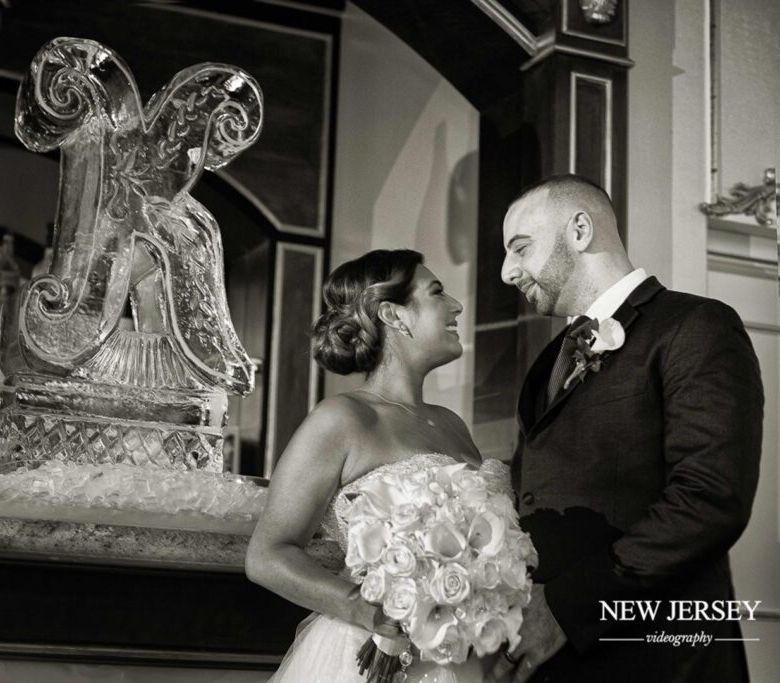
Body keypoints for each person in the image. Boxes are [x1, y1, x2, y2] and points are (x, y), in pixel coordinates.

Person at [488, 174, 763, 683]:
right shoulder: (549, 359)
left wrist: (568, 608)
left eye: (520, 248)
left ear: (580, 230)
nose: (507, 272)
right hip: (552, 662)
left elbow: (710, 497)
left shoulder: (695, 326)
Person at [246, 249, 504, 682]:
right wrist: (368, 610)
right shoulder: (342, 419)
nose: (456, 305)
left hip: (465, 657)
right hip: (374, 656)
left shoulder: (452, 424)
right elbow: (268, 554)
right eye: (437, 292)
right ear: (393, 314)